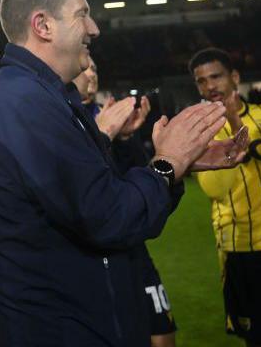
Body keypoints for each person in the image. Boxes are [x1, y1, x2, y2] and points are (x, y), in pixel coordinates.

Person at [0, 0, 249, 346]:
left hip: (84, 320)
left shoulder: (51, 98)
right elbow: (108, 217)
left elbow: (121, 208)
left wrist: (179, 163)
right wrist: (166, 164)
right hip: (60, 329)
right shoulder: (21, 101)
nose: (95, 28)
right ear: (43, 25)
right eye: (82, 14)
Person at [72, 59, 179, 347]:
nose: (92, 73)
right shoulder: (65, 120)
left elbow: (138, 180)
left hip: (133, 249)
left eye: (95, 67)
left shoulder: (114, 118)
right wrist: (102, 134)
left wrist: (127, 137)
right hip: (93, 258)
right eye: (86, 68)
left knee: (162, 336)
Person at [190, 47, 261, 346]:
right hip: (240, 246)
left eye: (216, 76)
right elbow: (214, 188)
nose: (210, 86)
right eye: (201, 81)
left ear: (234, 77)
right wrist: (234, 126)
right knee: (258, 337)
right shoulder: (202, 132)